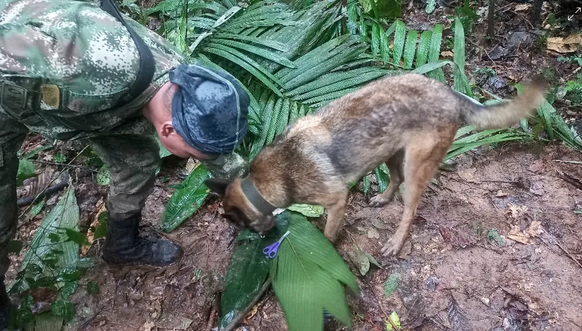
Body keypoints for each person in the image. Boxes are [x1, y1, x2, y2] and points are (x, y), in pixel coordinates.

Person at [0, 0, 250, 328]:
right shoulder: (87, 66)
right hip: (11, 94)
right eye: (191, 154)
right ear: (169, 130)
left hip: (94, 108)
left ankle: (122, 244)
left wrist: (254, 195)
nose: (193, 158)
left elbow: (213, 151)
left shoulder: (182, 85)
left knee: (138, 161)